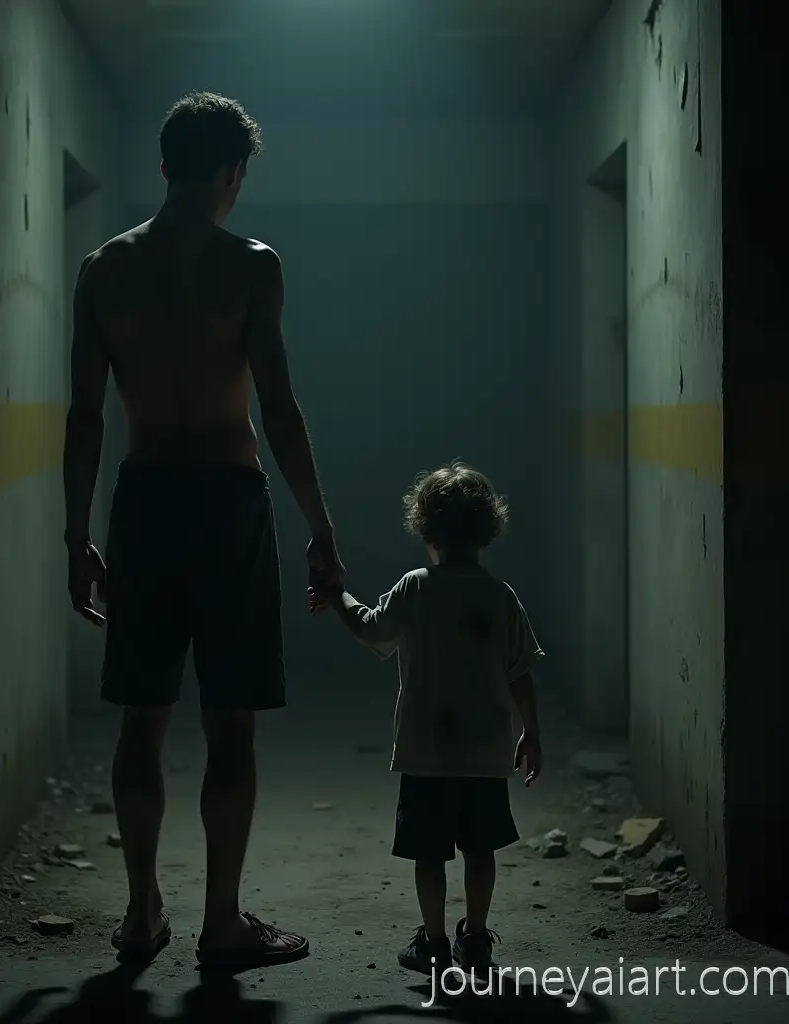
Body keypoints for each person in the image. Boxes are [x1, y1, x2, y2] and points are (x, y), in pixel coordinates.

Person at [62, 91, 344, 970]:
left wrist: (77, 537)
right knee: (231, 725)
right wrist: (320, 528)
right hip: (229, 501)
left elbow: (84, 418)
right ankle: (222, 924)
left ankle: (143, 914)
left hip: (145, 501)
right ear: (231, 173)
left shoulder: (104, 269)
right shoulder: (252, 265)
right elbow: (281, 409)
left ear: (162, 167)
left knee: (141, 720)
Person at [309, 461, 543, 979]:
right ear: (488, 529)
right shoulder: (500, 596)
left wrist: (335, 595)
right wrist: (531, 731)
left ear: (424, 528)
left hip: (426, 753)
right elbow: (520, 672)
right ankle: (477, 940)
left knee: (430, 855)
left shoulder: (417, 587)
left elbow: (371, 629)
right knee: (481, 850)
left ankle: (434, 943)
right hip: (485, 754)